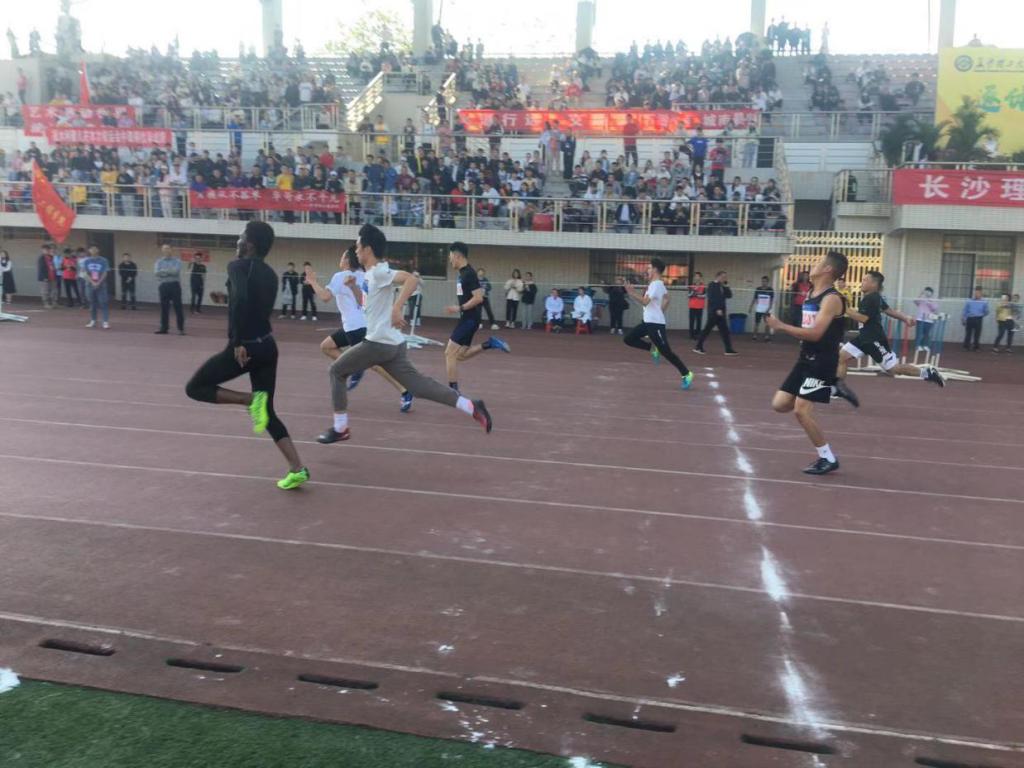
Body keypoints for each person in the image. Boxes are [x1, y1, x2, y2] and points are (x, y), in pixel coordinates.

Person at [316, 225, 493, 444]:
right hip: (393, 344)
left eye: (358, 246)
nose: (356, 250)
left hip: (377, 343)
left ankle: (340, 428)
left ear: (368, 249)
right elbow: (368, 303)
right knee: (418, 386)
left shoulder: (379, 271)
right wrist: (354, 288)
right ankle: (471, 406)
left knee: (336, 371)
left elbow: (411, 279)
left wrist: (397, 307)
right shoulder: (369, 276)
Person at [185, 221, 309, 490]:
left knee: (194, 388)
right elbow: (251, 303)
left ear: (249, 244)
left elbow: (242, 298)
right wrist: (226, 298)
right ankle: (297, 468)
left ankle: (250, 400)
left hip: (246, 348)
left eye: (241, 236)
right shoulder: (271, 274)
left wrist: (237, 341)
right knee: (268, 412)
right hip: (268, 346)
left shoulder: (237, 266)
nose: (237, 240)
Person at [765, 250, 849, 475]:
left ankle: (827, 458)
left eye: (818, 262)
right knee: (780, 404)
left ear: (827, 269)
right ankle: (824, 389)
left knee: (801, 411)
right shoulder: (811, 293)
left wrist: (781, 326)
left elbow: (815, 334)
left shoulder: (831, 299)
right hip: (805, 359)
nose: (813, 265)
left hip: (823, 361)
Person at [304, 246, 414, 413]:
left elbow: (325, 297)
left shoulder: (340, 276)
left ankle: (405, 390)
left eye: (343, 256)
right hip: (360, 325)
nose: (340, 259)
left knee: (375, 364)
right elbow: (362, 301)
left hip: (355, 327)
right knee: (327, 346)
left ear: (347, 260)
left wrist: (312, 282)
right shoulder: (364, 276)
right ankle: (356, 368)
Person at [832, 271, 945, 407]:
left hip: (874, 339)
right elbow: (888, 310)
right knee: (841, 357)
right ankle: (838, 388)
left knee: (892, 369)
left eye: (865, 280)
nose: (862, 282)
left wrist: (843, 308)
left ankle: (927, 372)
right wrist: (906, 318)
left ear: (874, 284)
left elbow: (863, 318)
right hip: (863, 338)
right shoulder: (875, 297)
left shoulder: (871, 298)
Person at [443, 242, 511, 392]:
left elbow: (479, 298)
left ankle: (453, 392)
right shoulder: (462, 273)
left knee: (449, 353)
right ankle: (490, 344)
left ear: (457, 255)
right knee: (460, 355)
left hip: (469, 319)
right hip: (468, 319)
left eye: (450, 256)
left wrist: (459, 308)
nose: (449, 260)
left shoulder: (469, 273)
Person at [624, 257, 694, 390]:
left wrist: (632, 293)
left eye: (649, 268)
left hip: (655, 324)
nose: (647, 270)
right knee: (628, 339)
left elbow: (645, 302)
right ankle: (652, 348)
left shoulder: (656, 285)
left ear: (655, 269)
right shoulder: (658, 284)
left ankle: (686, 373)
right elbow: (667, 298)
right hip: (647, 322)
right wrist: (659, 310)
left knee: (666, 352)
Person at [694, 271, 738, 355]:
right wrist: (717, 308)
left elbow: (729, 295)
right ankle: (698, 346)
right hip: (714, 312)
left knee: (724, 331)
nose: (725, 278)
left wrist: (726, 287)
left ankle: (728, 349)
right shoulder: (712, 285)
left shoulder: (722, 286)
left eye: (725, 277)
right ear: (718, 276)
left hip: (721, 312)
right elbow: (712, 298)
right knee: (707, 330)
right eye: (723, 277)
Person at [155, 244, 185, 335]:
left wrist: (163, 271)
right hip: (163, 286)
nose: (166, 250)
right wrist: (169, 271)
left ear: (171, 250)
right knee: (164, 308)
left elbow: (176, 272)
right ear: (162, 250)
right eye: (164, 249)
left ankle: (181, 329)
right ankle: (164, 328)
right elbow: (156, 273)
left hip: (175, 285)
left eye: (167, 248)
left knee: (178, 307)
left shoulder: (177, 261)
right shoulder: (158, 262)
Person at [81, 245, 111, 330]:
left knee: (103, 302)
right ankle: (93, 320)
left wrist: (98, 282)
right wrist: (92, 282)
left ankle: (105, 321)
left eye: (95, 248)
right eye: (91, 249)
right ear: (89, 250)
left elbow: (105, 272)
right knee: (92, 303)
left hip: (101, 284)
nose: (93, 250)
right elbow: (85, 273)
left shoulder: (104, 260)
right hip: (89, 284)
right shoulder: (86, 261)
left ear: (98, 250)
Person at [749, 276, 775, 341]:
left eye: (765, 281)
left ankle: (766, 337)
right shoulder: (758, 289)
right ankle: (754, 336)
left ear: (768, 282)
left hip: (767, 310)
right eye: (762, 281)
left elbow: (771, 300)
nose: (764, 282)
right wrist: (750, 307)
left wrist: (769, 308)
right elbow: (754, 299)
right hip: (759, 309)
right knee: (757, 323)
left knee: (767, 323)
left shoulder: (770, 290)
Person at [962, 286, 988, 351]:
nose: (976, 294)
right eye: (976, 292)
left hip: (978, 319)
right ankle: (966, 347)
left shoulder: (984, 301)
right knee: (968, 333)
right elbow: (965, 310)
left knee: (977, 334)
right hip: (970, 318)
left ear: (981, 293)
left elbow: (986, 311)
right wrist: (963, 318)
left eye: (978, 293)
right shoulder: (969, 301)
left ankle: (976, 347)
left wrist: (982, 314)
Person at [36, 244, 56, 309]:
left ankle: (53, 303)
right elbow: (41, 268)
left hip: (52, 277)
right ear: (42, 250)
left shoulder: (51, 257)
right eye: (45, 250)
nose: (47, 251)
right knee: (45, 291)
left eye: (48, 249)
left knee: (53, 291)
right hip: (45, 278)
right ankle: (46, 303)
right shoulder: (41, 258)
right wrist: (45, 277)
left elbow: (53, 266)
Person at [687, 272, 706, 340]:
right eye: (695, 276)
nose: (696, 277)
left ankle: (698, 334)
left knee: (699, 321)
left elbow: (705, 295)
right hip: (692, 306)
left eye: (698, 276)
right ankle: (691, 335)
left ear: (700, 277)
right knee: (691, 321)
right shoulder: (691, 286)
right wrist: (693, 291)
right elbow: (688, 295)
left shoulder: (703, 286)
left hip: (700, 306)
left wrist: (698, 295)